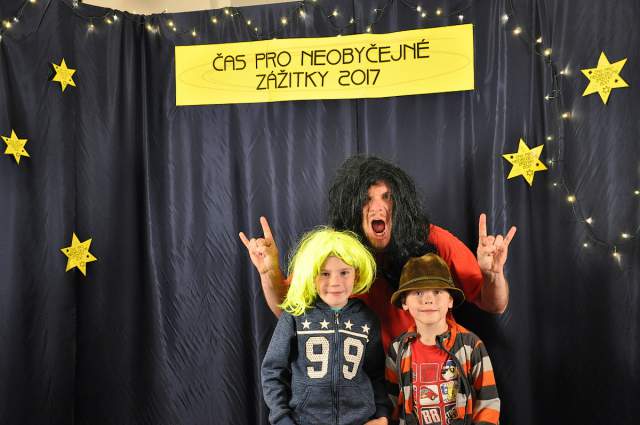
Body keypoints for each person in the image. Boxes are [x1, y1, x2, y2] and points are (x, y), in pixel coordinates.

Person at [240, 155, 516, 350]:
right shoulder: (333, 249)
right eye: (366, 200)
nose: (377, 207)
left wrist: (492, 274)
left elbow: (495, 304)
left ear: (401, 203)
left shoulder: (433, 239)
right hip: (362, 388)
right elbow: (286, 308)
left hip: (426, 377)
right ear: (352, 207)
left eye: (387, 197)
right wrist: (269, 272)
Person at [261, 227, 390, 425]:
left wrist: (382, 416)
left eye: (344, 272)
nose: (335, 282)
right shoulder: (296, 315)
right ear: (312, 276)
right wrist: (281, 418)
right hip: (306, 420)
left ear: (356, 274)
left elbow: (376, 374)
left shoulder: (366, 318)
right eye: (325, 273)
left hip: (360, 420)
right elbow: (272, 371)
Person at [386, 253, 500, 425]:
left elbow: (488, 404)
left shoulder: (471, 345)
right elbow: (392, 406)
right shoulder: (398, 349)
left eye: (437, 291)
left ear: (450, 300)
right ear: (404, 302)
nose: (428, 299)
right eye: (418, 292)